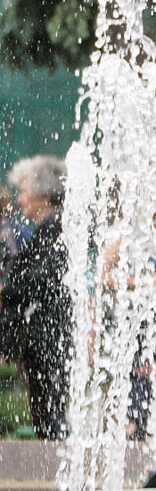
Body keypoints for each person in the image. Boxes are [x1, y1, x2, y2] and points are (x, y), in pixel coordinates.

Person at [0, 155, 71, 439]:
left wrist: (8, 289)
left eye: (25, 191)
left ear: (44, 194)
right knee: (46, 412)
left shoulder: (56, 229)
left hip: (51, 337)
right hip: (46, 336)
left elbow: (44, 279)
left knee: (49, 415)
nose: (19, 200)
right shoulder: (48, 229)